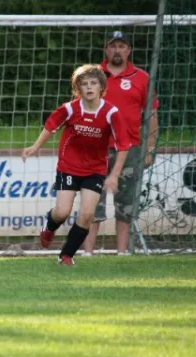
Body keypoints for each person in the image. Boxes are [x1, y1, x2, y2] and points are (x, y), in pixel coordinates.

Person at [22, 64, 131, 266]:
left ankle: (66, 255)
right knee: (62, 212)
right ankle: (49, 226)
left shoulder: (110, 113)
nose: (89, 87)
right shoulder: (70, 109)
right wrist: (35, 146)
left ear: (101, 87)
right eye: (84, 84)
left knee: (88, 214)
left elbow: (124, 145)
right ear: (77, 89)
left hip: (95, 169)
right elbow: (51, 127)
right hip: (68, 166)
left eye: (93, 83)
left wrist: (114, 175)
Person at [82, 31, 160, 256]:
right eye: (113, 46)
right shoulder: (92, 75)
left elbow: (152, 114)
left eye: (122, 46)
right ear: (106, 50)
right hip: (94, 148)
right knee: (91, 201)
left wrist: (150, 147)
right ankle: (87, 253)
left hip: (130, 149)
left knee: (126, 202)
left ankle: (122, 252)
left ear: (129, 50)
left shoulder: (141, 77)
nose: (117, 50)